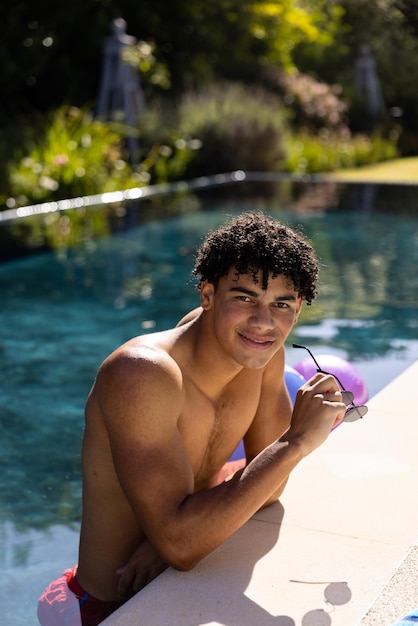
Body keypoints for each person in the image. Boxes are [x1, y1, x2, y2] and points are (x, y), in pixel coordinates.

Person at [38, 211, 346, 625]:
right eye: (244, 298)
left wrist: (175, 528)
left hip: (173, 583)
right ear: (207, 295)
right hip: (106, 609)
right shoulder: (142, 373)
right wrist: (294, 442)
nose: (263, 321)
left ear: (299, 308)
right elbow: (183, 549)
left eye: (281, 305)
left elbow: (268, 492)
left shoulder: (260, 354)